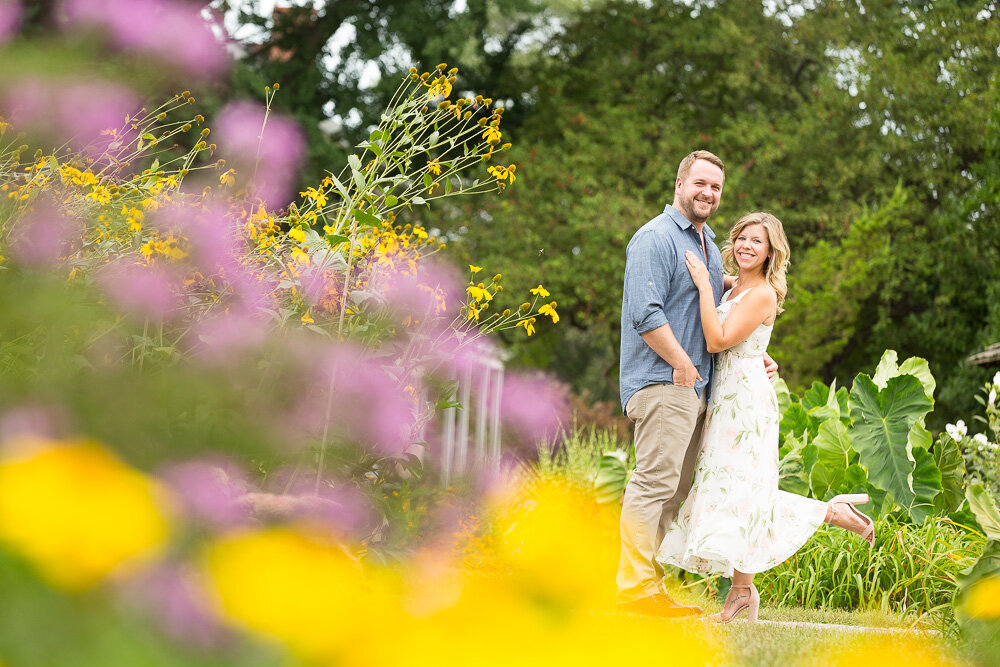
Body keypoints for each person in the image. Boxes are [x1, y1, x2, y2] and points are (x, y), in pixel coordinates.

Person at [655, 211, 875, 623]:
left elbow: (718, 340)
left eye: (757, 242)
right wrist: (753, 343)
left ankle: (830, 513)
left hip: (745, 403)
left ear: (772, 251)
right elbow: (738, 330)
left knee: (745, 491)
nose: (745, 247)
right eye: (741, 238)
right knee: (735, 490)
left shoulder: (761, 294)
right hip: (727, 397)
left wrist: (705, 285)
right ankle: (741, 593)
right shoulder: (737, 287)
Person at [617, 150, 778, 617]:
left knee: (674, 489)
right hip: (665, 381)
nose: (708, 193)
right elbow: (645, 314)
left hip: (696, 389)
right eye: (700, 184)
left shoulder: (705, 244)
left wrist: (756, 350)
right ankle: (633, 589)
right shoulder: (656, 238)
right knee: (653, 485)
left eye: (716, 188)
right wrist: (683, 364)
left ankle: (648, 587)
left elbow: (726, 305)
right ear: (679, 184)